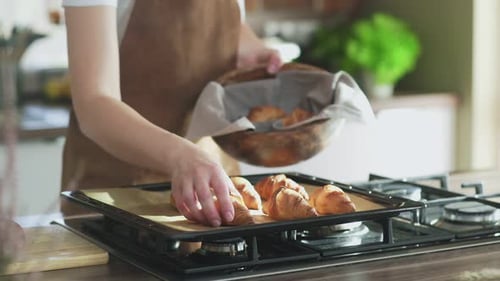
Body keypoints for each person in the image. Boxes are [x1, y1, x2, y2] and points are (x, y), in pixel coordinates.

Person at [61, 0, 282, 227]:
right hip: (118, 195)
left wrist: (249, 48)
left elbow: (222, 24)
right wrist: (180, 157)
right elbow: (94, 102)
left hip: (214, 185)